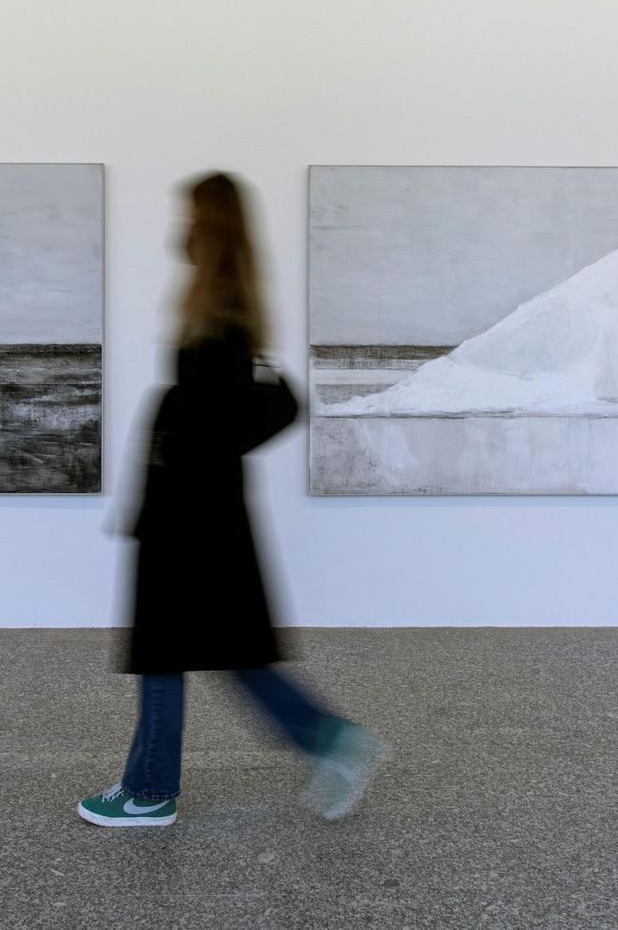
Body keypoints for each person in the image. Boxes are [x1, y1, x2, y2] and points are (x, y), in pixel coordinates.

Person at [77, 172, 386, 829]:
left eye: (187, 215)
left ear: (207, 225)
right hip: (201, 510)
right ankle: (321, 741)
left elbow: (240, 416)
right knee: (219, 651)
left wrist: (174, 456)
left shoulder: (215, 319)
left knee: (168, 647)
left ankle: (150, 790)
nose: (178, 227)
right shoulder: (224, 308)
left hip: (187, 515)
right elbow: (261, 409)